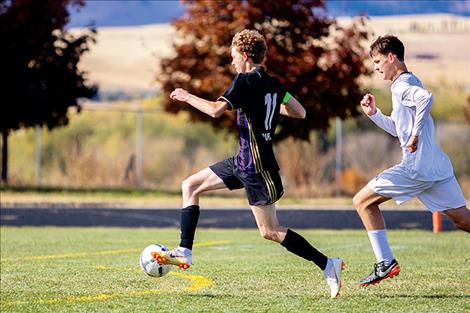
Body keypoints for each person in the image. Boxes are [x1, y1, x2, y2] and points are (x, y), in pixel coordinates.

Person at [154, 29, 344, 298]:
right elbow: (300, 112)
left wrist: (187, 96)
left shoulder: (243, 81)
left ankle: (328, 264)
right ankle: (185, 249)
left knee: (269, 231)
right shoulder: (273, 83)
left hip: (257, 168)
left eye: (233, 57)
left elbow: (215, 111)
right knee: (190, 185)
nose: (232, 63)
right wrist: (268, 105)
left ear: (244, 56)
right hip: (242, 161)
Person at [354, 35, 470, 287]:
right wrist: (374, 114)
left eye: (377, 61)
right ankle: (385, 263)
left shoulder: (402, 85)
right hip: (436, 166)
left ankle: (385, 263)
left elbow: (425, 99)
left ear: (391, 57)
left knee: (362, 202)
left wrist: (416, 133)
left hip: (417, 169)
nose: (376, 67)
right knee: (463, 220)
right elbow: (399, 129)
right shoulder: (408, 81)